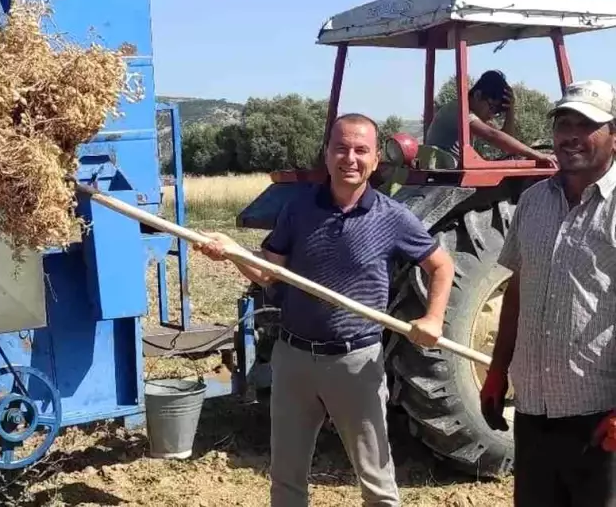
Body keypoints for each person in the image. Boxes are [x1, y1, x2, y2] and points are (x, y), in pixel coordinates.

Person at [195, 113, 456, 507]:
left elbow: (441, 265)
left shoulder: (392, 217)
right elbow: (269, 273)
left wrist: (433, 317)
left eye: (360, 150)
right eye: (341, 147)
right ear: (327, 152)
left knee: (377, 483)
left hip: (355, 364)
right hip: (293, 360)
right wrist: (229, 251)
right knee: (286, 480)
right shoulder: (299, 210)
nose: (349, 158)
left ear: (374, 160)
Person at [480, 80, 616, 506]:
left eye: (586, 124)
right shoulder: (534, 201)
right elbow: (517, 292)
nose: (570, 135)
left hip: (600, 418)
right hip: (534, 411)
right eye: (563, 123)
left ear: (614, 135)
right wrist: (498, 370)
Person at [424, 69, 557, 167]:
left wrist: (510, 110)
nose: (491, 116)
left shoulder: (473, 116)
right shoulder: (457, 110)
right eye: (492, 108)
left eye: (497, 112)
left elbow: (505, 141)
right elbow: (493, 135)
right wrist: (538, 155)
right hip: (444, 175)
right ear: (477, 95)